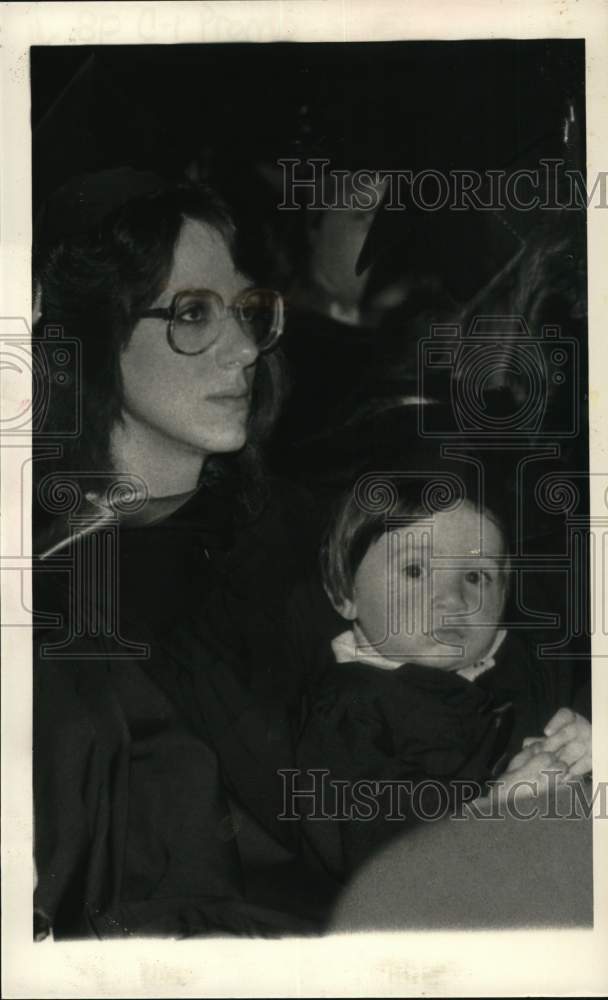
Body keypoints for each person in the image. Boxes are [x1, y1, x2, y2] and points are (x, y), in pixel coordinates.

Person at [32, 168, 336, 939]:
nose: (243, 349)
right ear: (95, 335)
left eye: (246, 310)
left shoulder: (301, 527)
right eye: (193, 314)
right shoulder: (60, 603)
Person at [295, 464, 592, 878]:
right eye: (415, 571)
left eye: (475, 575)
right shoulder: (350, 708)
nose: (453, 599)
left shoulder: (534, 664)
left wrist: (591, 746)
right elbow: (370, 853)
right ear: (345, 592)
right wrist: (493, 809)